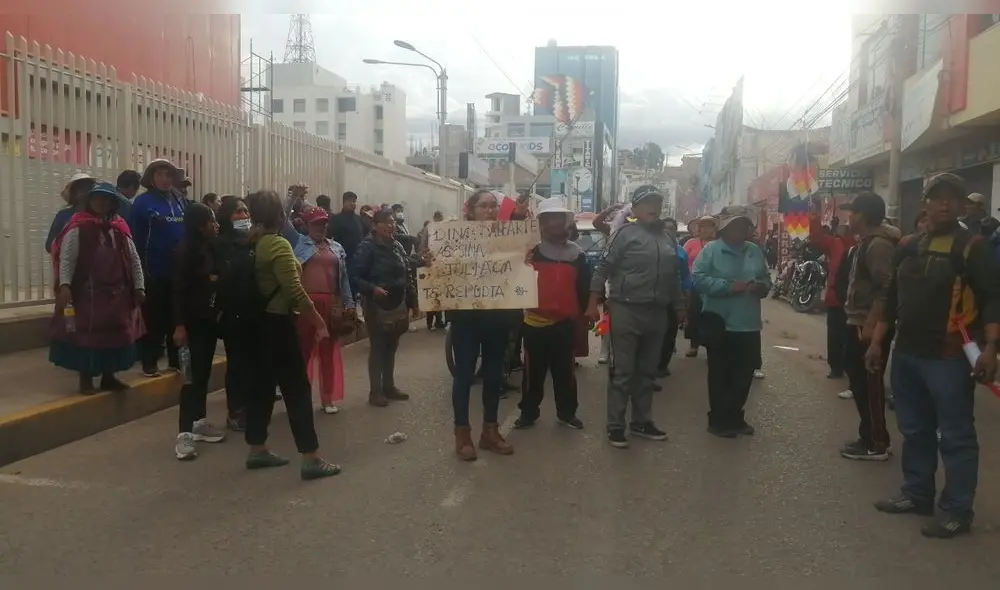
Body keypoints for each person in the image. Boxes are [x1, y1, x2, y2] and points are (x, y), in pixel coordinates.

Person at [869, 172, 1000, 538]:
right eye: (936, 197)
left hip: (948, 359)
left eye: (952, 198)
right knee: (914, 429)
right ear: (924, 203)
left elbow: (993, 299)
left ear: (961, 206)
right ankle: (917, 493)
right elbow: (891, 299)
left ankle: (958, 510)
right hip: (907, 353)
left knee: (956, 436)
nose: (944, 203)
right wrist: (878, 342)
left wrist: (990, 349)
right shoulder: (908, 245)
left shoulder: (973, 247)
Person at [243, 190, 339, 480]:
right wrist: (319, 323)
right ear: (279, 216)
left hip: (256, 324)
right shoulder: (278, 245)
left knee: (261, 387)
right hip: (278, 325)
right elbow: (295, 290)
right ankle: (311, 457)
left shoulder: (252, 243)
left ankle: (256, 448)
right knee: (296, 390)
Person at [585, 185, 685, 449]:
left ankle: (641, 422)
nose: (654, 208)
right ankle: (615, 425)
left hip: (658, 311)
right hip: (626, 309)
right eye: (647, 203)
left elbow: (673, 276)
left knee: (647, 371)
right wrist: (592, 302)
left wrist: (679, 307)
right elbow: (603, 268)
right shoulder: (623, 234)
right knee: (624, 371)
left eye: (657, 203)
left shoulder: (668, 237)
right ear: (635, 209)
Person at [49, 182, 144, 394]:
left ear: (112, 203)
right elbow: (67, 258)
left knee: (115, 334)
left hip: (117, 294)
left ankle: (109, 377)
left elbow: (134, 259)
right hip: (87, 293)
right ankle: (86, 379)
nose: (101, 203)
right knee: (87, 336)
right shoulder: (78, 227)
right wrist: (64, 285)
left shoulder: (120, 228)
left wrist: (139, 287)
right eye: (97, 199)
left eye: (106, 199)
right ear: (89, 201)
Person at [448, 189, 519, 461]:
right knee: (464, 375)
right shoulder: (453, 239)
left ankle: (490, 431)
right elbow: (440, 270)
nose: (489, 211)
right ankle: (462, 433)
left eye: (493, 206)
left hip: (498, 316)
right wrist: (432, 263)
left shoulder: (509, 239)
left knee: (493, 375)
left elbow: (517, 273)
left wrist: (523, 261)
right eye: (484, 206)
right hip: (466, 318)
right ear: (471, 210)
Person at [692, 207, 771, 438]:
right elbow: (698, 280)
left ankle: (736, 417)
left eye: (744, 226)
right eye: (736, 226)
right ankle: (718, 420)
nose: (741, 230)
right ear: (724, 229)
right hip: (721, 324)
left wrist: (761, 286)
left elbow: (766, 279)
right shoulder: (711, 251)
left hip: (748, 323)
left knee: (745, 373)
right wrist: (728, 287)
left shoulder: (754, 251)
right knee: (720, 375)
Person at [514, 197, 591, 430]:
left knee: (564, 371)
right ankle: (528, 413)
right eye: (548, 219)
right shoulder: (530, 251)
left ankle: (567, 413)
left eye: (558, 218)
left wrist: (587, 313)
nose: (554, 224)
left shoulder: (577, 254)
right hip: (534, 322)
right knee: (532, 372)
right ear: (542, 223)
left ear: (566, 221)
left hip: (564, 324)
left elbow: (584, 288)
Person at [837, 192, 899, 461]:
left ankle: (876, 442)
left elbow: (885, 291)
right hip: (859, 323)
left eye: (851, 212)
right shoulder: (866, 242)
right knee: (859, 381)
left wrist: (873, 327)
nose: (848, 217)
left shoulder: (878, 246)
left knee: (869, 385)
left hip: (869, 327)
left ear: (861, 215)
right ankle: (868, 436)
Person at [171, 202, 227, 460]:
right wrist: (180, 325)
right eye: (211, 221)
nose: (215, 225)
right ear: (199, 225)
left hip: (207, 323)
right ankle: (183, 434)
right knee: (190, 378)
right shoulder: (184, 252)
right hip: (190, 324)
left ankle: (199, 422)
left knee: (203, 372)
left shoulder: (211, 249)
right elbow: (178, 293)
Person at [350, 208, 416, 408]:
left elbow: (407, 269)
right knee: (378, 347)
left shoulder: (396, 245)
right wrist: (372, 288)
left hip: (397, 303)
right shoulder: (367, 247)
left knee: (392, 346)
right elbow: (354, 275)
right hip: (376, 305)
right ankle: (375, 391)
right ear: (374, 225)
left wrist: (412, 297)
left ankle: (389, 386)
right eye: (385, 222)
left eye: (392, 222)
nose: (390, 225)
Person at [294, 207, 355, 415]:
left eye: (323, 223)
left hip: (332, 304)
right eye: (316, 223)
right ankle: (299, 398)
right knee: (302, 352)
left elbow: (344, 278)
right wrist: (295, 198)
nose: (321, 227)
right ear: (307, 225)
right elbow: (280, 221)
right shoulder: (298, 242)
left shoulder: (336, 247)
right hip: (305, 303)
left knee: (329, 352)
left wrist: (350, 303)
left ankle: (327, 398)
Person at [129, 159, 187, 377]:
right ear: (151, 178)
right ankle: (149, 362)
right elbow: (134, 239)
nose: (165, 179)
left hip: (178, 272)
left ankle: (175, 360)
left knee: (177, 317)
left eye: (169, 175)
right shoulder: (142, 203)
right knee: (153, 319)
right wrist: (139, 273)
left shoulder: (180, 201)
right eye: (160, 175)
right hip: (153, 271)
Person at [212, 196, 253, 431]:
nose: (244, 216)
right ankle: (235, 411)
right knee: (237, 364)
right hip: (231, 313)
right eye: (238, 212)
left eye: (246, 211)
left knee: (250, 363)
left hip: (252, 311)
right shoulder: (219, 245)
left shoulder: (251, 241)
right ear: (227, 216)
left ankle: (249, 407)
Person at [808, 198, 856, 380]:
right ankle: (836, 368)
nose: (847, 224)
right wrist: (814, 220)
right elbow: (817, 239)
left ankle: (852, 371)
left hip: (856, 302)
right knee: (835, 336)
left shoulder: (866, 244)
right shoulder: (837, 243)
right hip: (836, 299)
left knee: (852, 339)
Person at [657, 217, 692, 378]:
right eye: (665, 228)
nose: (668, 231)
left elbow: (685, 276)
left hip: (674, 298)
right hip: (655, 298)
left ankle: (662, 365)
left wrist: (686, 297)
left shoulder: (681, 252)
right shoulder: (653, 248)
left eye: (671, 228)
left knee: (670, 333)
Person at [683, 215, 717, 358]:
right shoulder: (690, 243)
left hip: (713, 286)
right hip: (693, 286)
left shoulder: (719, 244)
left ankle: (712, 347)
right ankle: (693, 346)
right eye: (703, 226)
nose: (706, 229)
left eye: (709, 226)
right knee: (694, 315)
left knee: (711, 317)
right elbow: (681, 261)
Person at [47, 173, 96, 254]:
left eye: (88, 188)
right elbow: (49, 246)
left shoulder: (98, 215)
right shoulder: (63, 215)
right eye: (80, 188)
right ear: (74, 193)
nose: (84, 192)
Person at [419, 211, 447, 331]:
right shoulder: (429, 229)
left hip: (440, 265)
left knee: (438, 294)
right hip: (431, 265)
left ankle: (437, 321)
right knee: (432, 294)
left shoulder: (441, 229)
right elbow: (423, 247)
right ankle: (432, 322)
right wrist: (426, 260)